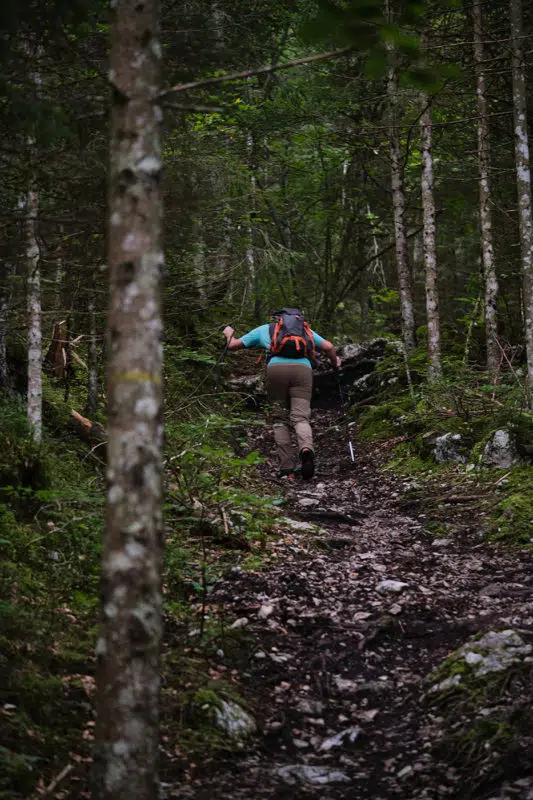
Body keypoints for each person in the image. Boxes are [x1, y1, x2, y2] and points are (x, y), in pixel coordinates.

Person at [223, 311, 341, 481]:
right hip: (302, 371)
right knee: (301, 418)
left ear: (278, 319)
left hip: (276, 370)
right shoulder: (304, 330)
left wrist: (228, 332)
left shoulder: (267, 329)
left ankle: (287, 469)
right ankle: (306, 449)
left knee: (280, 419)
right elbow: (329, 347)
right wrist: (334, 362)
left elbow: (233, 345)